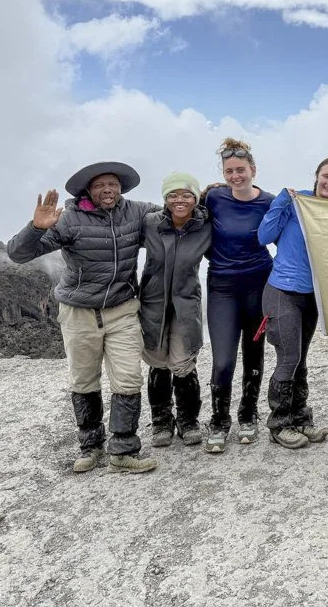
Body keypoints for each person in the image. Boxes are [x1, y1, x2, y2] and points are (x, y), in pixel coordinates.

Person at [7, 162, 159, 474]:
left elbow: (176, 211)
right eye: (100, 185)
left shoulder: (137, 212)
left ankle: (123, 450)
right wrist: (36, 227)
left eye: (113, 184)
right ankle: (91, 447)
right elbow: (18, 254)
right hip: (79, 312)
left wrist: (206, 197)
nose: (108, 190)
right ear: (88, 190)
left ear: (121, 187)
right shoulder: (69, 218)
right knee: (84, 379)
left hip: (122, 308)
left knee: (129, 378)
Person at [258, 156, 328, 449]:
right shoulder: (296, 203)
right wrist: (282, 200)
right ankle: (279, 425)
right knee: (289, 358)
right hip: (282, 291)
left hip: (312, 295)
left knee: (300, 360)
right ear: (317, 176)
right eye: (326, 176)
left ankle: (300, 418)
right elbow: (264, 236)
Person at [203, 138, 276, 453]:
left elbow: (293, 229)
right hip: (222, 287)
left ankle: (248, 413)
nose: (236, 176)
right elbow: (185, 212)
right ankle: (219, 419)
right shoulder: (213, 198)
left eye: (241, 170)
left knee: (254, 353)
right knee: (223, 361)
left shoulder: (269, 201)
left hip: (259, 284)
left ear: (253, 170)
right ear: (223, 174)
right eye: (229, 171)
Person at [140, 172, 211, 449]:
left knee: (182, 362)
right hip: (153, 303)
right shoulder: (150, 223)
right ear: (165, 198)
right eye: (172, 195)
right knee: (157, 361)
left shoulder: (206, 225)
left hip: (186, 303)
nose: (179, 200)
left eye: (186, 195)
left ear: (196, 198)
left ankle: (188, 420)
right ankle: (161, 420)